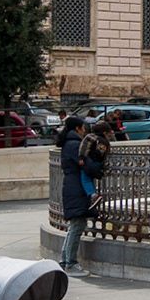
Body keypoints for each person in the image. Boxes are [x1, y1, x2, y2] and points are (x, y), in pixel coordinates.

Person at [57, 117, 95, 277]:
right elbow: (86, 164)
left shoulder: (68, 143)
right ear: (78, 128)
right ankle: (71, 263)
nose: (84, 130)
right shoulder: (74, 145)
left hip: (72, 185)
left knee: (75, 225)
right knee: (77, 225)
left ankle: (65, 261)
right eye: (83, 127)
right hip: (76, 187)